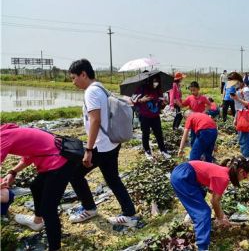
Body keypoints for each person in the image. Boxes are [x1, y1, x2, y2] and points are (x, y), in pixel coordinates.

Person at [68, 59, 137, 227]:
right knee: (112, 178)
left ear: (83, 74)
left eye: (73, 77)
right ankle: (129, 213)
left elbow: (95, 120)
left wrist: (89, 149)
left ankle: (89, 208)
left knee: (75, 175)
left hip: (101, 146)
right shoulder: (100, 87)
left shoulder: (91, 92)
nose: (73, 82)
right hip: (112, 142)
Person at [1, 124, 76, 251]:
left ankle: (55, 248)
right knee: (36, 186)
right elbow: (28, 155)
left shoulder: (2, 137)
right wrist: (12, 172)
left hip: (59, 163)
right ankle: (37, 221)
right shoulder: (8, 132)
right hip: (55, 160)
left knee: (49, 209)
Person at [170, 156, 249, 251]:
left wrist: (221, 215)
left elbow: (214, 196)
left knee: (201, 193)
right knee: (204, 213)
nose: (244, 178)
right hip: (183, 176)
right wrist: (220, 218)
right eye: (245, 176)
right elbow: (214, 201)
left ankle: (191, 216)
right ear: (241, 172)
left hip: (184, 172)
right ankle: (203, 247)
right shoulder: (223, 177)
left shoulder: (224, 171)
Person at [132, 75, 169, 161]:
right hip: (144, 115)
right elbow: (134, 100)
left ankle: (163, 150)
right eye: (154, 81)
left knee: (159, 133)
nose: (156, 83)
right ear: (150, 80)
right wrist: (142, 100)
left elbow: (159, 105)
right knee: (146, 134)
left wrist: (163, 104)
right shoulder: (142, 89)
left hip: (155, 116)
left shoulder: (158, 90)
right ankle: (147, 150)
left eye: (157, 81)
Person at [231, 75, 249, 158]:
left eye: (234, 83)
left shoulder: (246, 90)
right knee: (241, 138)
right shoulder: (239, 90)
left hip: (245, 116)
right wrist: (235, 118)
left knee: (245, 138)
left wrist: (237, 98)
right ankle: (244, 156)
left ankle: (247, 158)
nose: (233, 85)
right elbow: (239, 106)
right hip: (240, 114)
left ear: (239, 81)